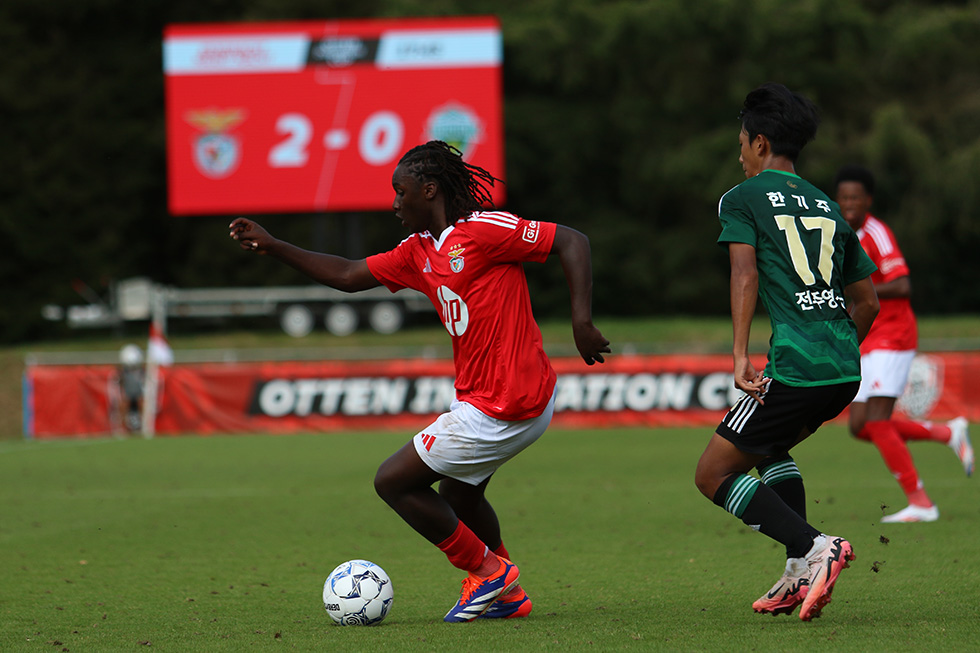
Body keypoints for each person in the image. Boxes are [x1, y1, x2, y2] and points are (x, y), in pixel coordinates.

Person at [230, 141, 610, 622]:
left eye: (400, 192)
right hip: (491, 400)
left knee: (392, 482)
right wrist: (275, 245)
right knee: (458, 494)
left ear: (428, 191)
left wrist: (581, 323)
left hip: (507, 402)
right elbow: (348, 275)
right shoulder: (418, 252)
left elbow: (571, 240)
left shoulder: (483, 230)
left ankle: (490, 573)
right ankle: (508, 595)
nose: (394, 204)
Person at [694, 83, 880, 621]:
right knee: (768, 448)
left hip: (795, 366)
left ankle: (819, 548)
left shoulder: (743, 196)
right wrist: (836, 347)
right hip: (844, 368)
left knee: (713, 474)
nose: (739, 154)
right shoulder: (827, 203)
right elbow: (866, 301)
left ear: (759, 143)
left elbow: (744, 271)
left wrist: (738, 356)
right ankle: (800, 571)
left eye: (742, 143)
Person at [834, 164, 974, 523]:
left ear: (868, 200)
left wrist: (857, 291)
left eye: (855, 197)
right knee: (860, 426)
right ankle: (947, 433)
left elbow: (902, 286)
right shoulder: (838, 234)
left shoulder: (877, 233)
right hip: (867, 335)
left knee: (878, 421)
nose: (849, 203)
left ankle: (922, 503)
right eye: (844, 197)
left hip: (893, 335)